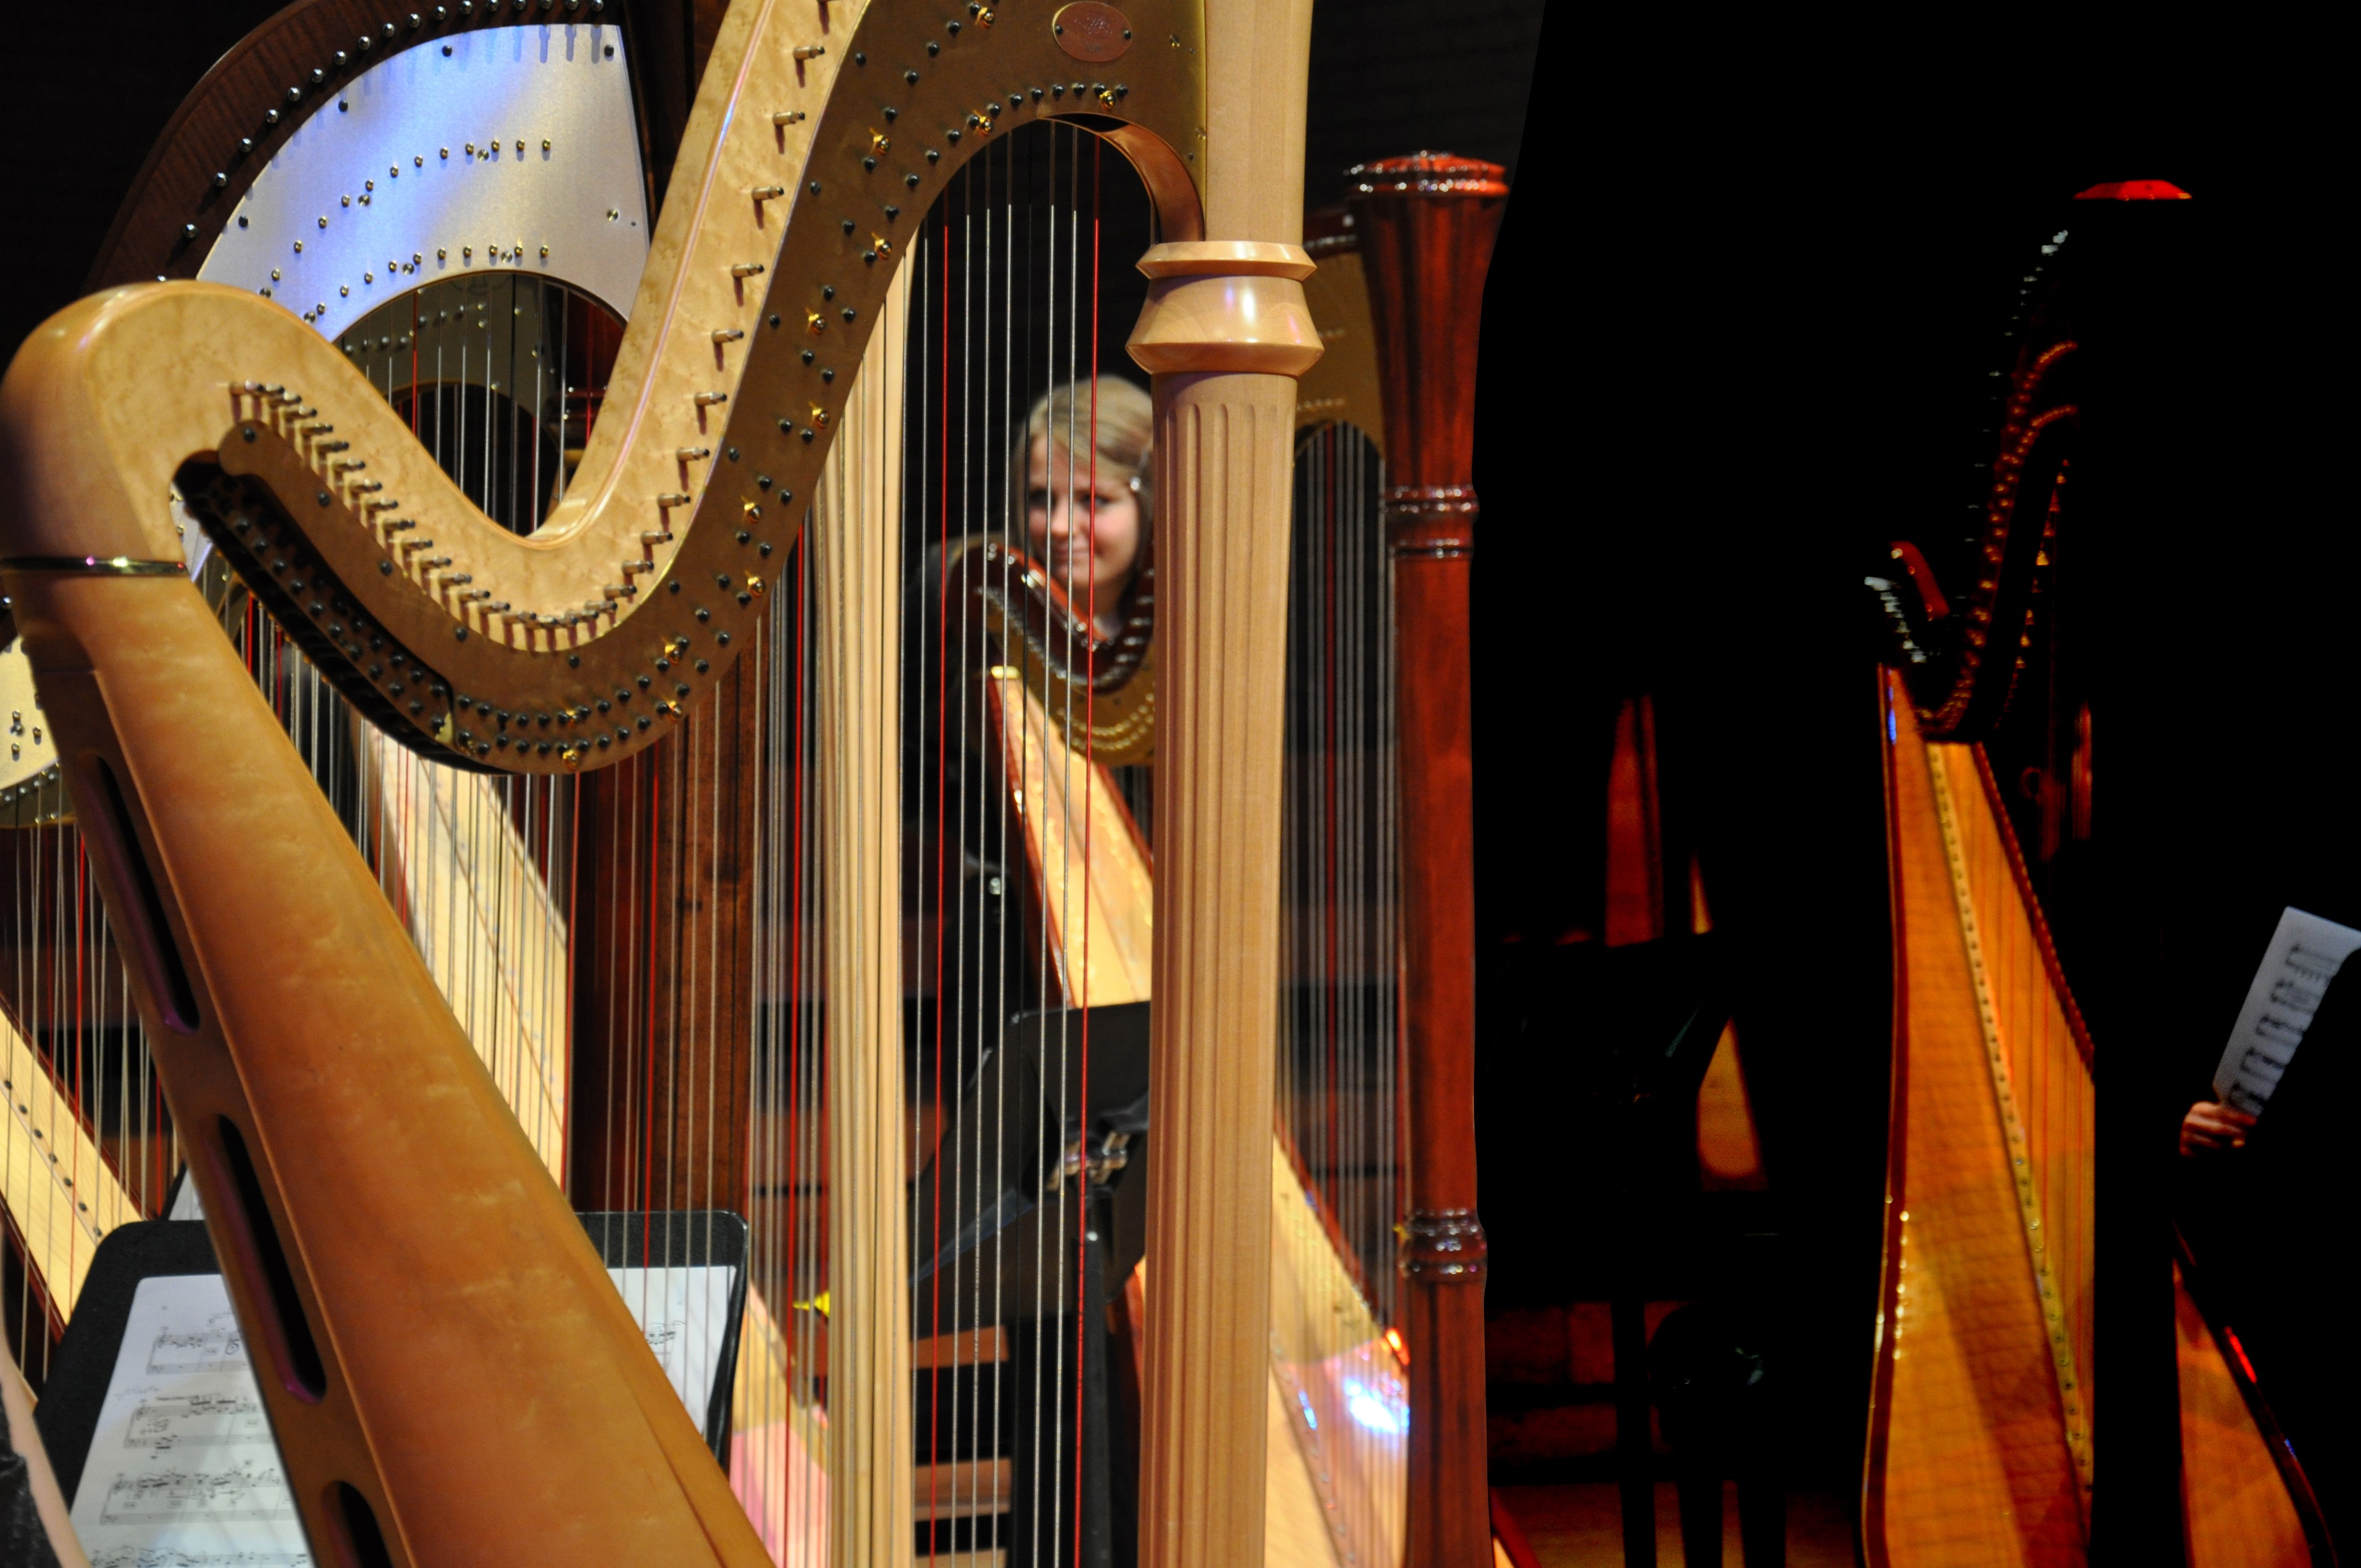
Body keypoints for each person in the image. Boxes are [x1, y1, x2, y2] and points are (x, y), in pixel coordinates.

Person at [1015, 378, 1153, 640]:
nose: (1059, 526)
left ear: (1150, 504)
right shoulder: (976, 618)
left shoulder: (1186, 634)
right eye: (1041, 499)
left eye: (1093, 500)